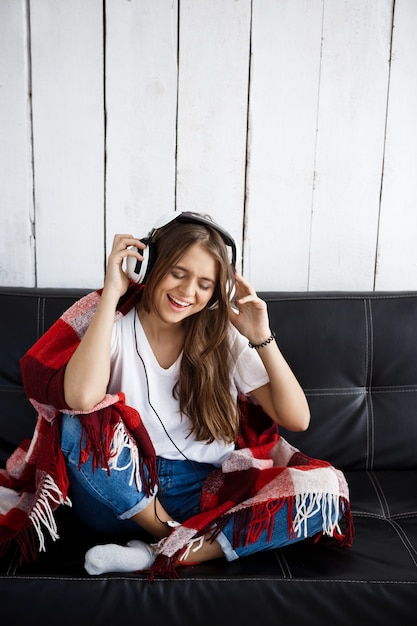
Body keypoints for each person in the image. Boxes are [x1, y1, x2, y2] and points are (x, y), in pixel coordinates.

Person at [24, 211, 352, 576]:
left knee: (326, 493)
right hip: (121, 495)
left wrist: (260, 336)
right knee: (77, 424)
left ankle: (157, 553)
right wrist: (112, 294)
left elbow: (297, 419)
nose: (187, 292)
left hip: (202, 490)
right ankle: (175, 539)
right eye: (177, 273)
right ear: (149, 266)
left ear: (217, 291)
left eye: (204, 284)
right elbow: (81, 399)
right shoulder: (113, 326)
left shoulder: (222, 335)